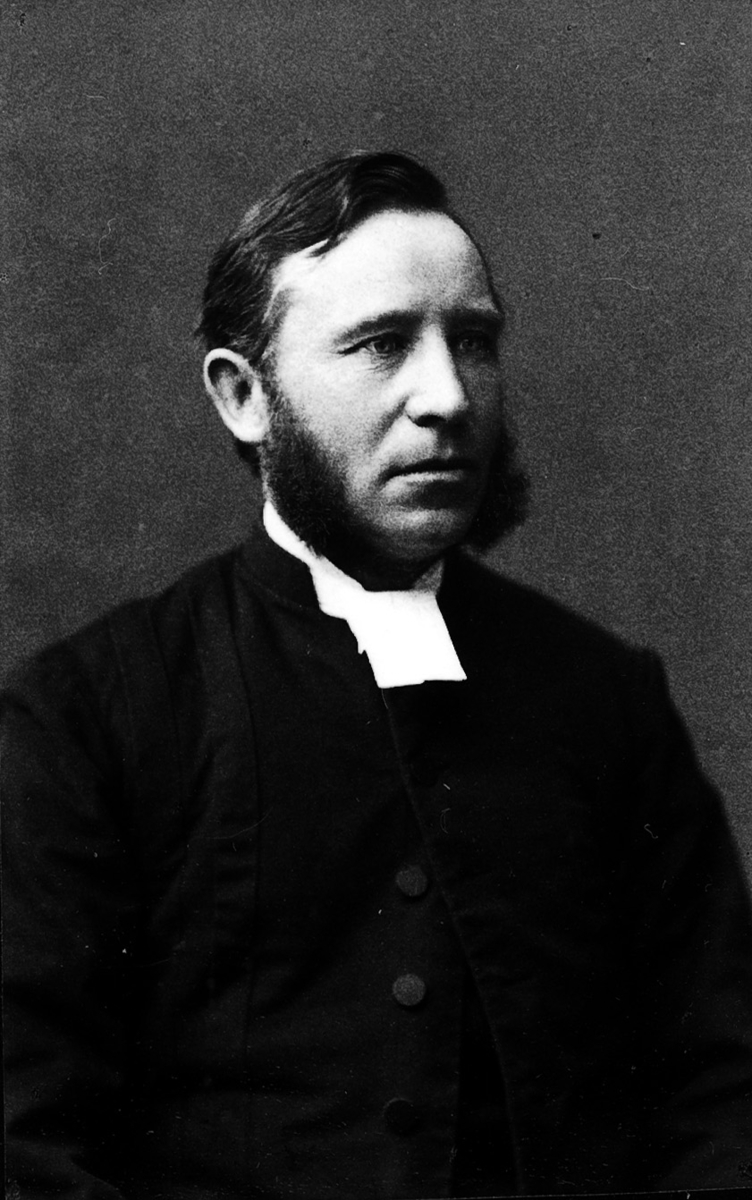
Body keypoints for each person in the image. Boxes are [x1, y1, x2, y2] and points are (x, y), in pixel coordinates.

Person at [3, 151, 752, 1200]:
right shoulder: (88, 714)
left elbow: (723, 1090)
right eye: (381, 344)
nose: (447, 396)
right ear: (243, 397)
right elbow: (25, 1138)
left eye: (473, 341)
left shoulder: (603, 696)